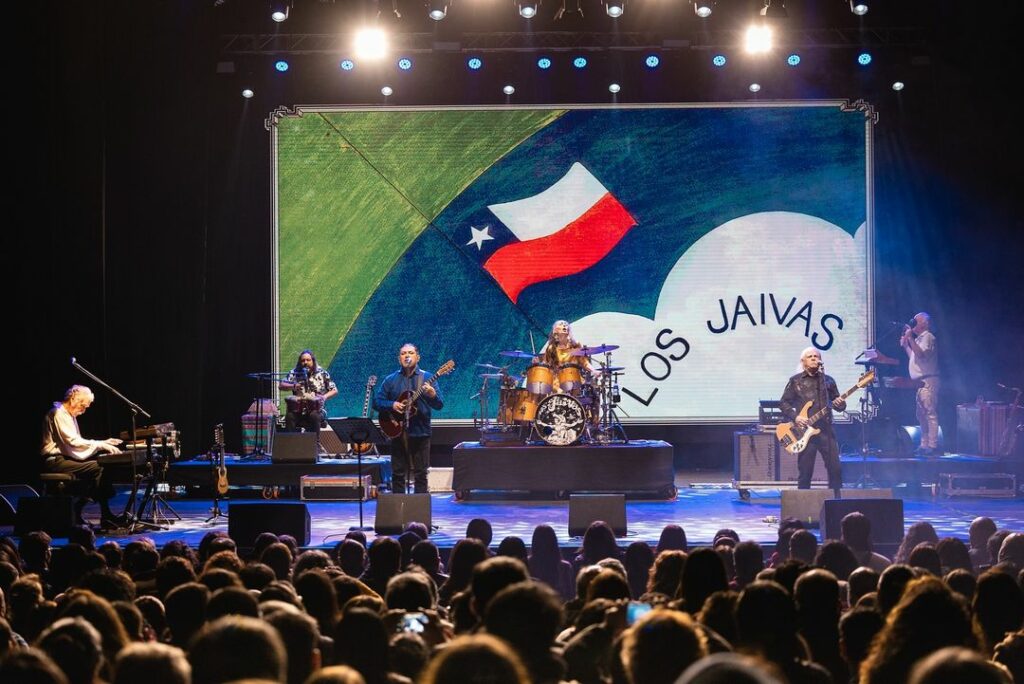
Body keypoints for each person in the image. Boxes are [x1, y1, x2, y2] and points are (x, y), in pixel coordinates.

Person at [40, 385, 123, 527]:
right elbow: (72, 441)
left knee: (102, 466)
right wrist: (100, 444)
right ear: (73, 399)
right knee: (100, 468)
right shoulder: (59, 413)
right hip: (54, 461)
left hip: (63, 458)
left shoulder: (67, 414)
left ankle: (87, 510)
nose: (84, 410)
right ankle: (101, 513)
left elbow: (73, 441)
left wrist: (102, 442)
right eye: (83, 406)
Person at [374, 343, 444, 494]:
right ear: (399, 358)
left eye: (410, 353)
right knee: (398, 474)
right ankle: (398, 511)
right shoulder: (390, 380)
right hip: (397, 432)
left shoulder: (427, 378)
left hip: (421, 432)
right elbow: (377, 402)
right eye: (403, 353)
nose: (407, 356)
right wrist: (392, 405)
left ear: (417, 357)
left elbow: (439, 405)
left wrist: (432, 395)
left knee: (420, 474)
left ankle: (419, 510)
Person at [779, 347, 846, 494]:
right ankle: (803, 504)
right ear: (803, 361)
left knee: (835, 469)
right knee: (805, 471)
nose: (814, 358)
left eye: (817, 356)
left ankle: (837, 502)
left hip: (826, 431)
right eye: (810, 356)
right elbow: (783, 403)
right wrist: (796, 417)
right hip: (805, 434)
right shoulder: (795, 381)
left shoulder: (828, 381)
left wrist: (840, 404)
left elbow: (838, 404)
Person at [900, 312, 940, 455]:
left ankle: (933, 445)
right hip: (919, 383)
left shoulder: (928, 337)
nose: (913, 324)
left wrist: (910, 337)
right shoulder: (920, 339)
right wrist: (906, 345)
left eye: (916, 321)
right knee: (921, 415)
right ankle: (924, 445)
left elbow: (922, 354)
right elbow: (915, 357)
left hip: (928, 380)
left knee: (929, 413)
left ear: (925, 323)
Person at [279, 349, 338, 432]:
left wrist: (324, 397)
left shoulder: (322, 373)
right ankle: (291, 441)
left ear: (313, 361)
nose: (305, 362)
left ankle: (315, 442)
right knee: (290, 416)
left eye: (308, 360)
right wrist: (294, 385)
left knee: (314, 416)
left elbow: (334, 390)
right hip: (299, 409)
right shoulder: (295, 373)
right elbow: (281, 385)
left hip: (317, 410)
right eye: (303, 360)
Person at [539, 320, 591, 393]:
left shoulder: (575, 346)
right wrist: (538, 364)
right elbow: (546, 365)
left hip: (575, 380)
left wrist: (594, 371)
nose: (557, 336)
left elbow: (584, 362)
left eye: (560, 334)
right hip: (557, 383)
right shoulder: (551, 348)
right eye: (556, 334)